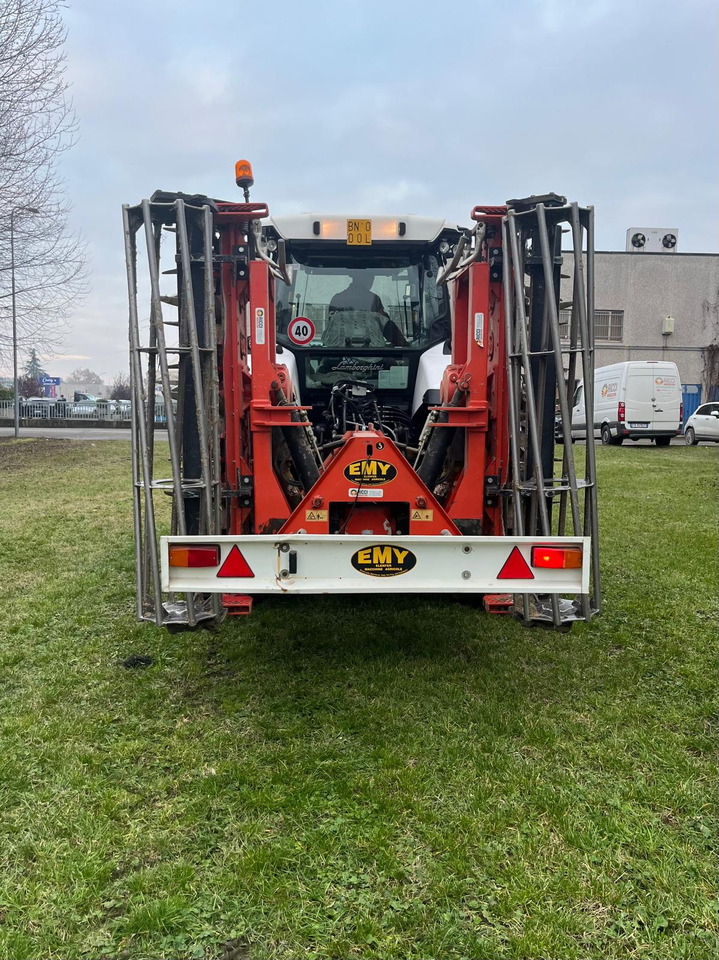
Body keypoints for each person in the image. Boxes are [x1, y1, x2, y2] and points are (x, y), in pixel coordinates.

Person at [328, 272, 407, 346]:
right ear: (364, 279)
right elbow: (386, 327)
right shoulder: (373, 299)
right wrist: (404, 343)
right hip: (370, 353)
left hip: (339, 353)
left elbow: (331, 330)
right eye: (371, 277)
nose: (371, 281)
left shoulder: (337, 299)